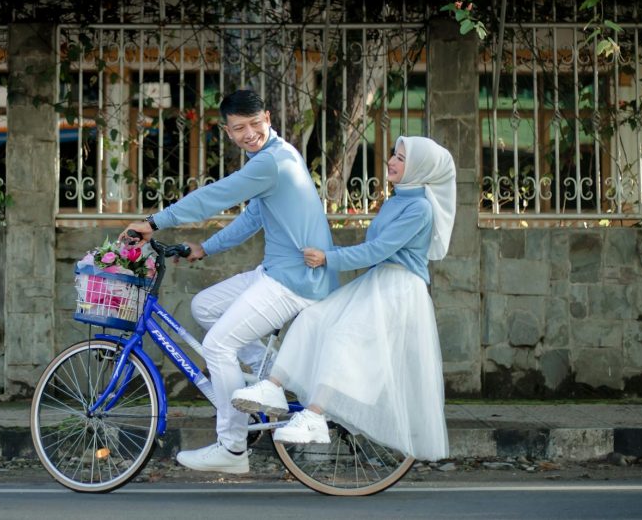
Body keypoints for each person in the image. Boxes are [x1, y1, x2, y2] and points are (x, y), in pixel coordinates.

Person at [119, 89, 337, 475]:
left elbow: (213, 197)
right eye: (239, 128)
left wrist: (153, 222)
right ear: (227, 130)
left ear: (268, 118)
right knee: (204, 307)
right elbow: (254, 217)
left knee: (218, 344)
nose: (249, 133)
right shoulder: (274, 155)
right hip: (278, 271)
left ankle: (233, 448)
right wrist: (206, 248)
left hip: (295, 279)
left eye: (256, 124)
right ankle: (274, 380)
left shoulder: (272, 161)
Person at [231, 135, 455, 461]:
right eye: (394, 154)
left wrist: (328, 258)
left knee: (344, 337)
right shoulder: (398, 199)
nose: (391, 160)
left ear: (420, 168)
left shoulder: (419, 208)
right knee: (313, 316)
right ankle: (274, 385)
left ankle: (317, 415)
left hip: (398, 291)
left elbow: (378, 250)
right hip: (378, 282)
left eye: (402, 159)